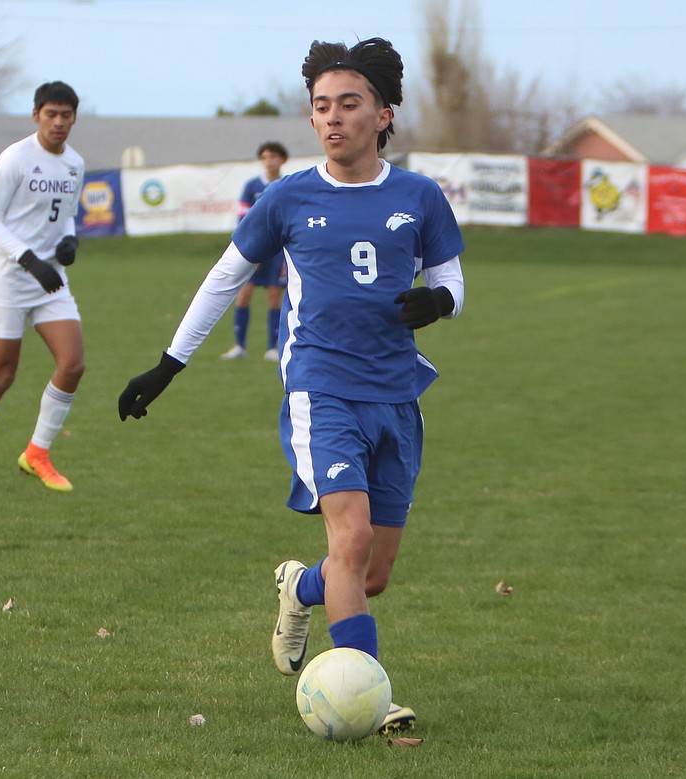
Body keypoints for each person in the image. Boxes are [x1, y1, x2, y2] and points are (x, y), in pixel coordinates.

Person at [118, 37, 465, 734]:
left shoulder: (419, 196)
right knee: (353, 536)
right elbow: (225, 279)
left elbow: (451, 276)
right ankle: (368, 691)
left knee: (368, 573)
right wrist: (167, 365)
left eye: (348, 104)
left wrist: (439, 302)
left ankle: (297, 586)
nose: (332, 118)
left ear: (384, 114)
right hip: (320, 388)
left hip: (397, 395)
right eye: (320, 107)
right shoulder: (289, 197)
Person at [0, 81, 85, 494]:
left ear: (74, 118)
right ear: (36, 115)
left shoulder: (75, 163)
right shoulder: (16, 158)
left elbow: (68, 215)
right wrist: (28, 259)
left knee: (73, 364)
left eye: (66, 115)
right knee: (2, 374)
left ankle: (37, 454)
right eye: (51, 114)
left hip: (50, 280)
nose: (58, 122)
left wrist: (71, 240)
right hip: (8, 279)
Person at [221, 141, 288, 362]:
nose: (270, 161)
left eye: (274, 156)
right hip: (256, 249)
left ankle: (272, 347)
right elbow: (243, 218)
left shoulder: (288, 185)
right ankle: (240, 345)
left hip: (278, 251)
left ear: (282, 159)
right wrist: (252, 248)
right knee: (244, 294)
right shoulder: (252, 186)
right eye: (265, 157)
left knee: (274, 296)